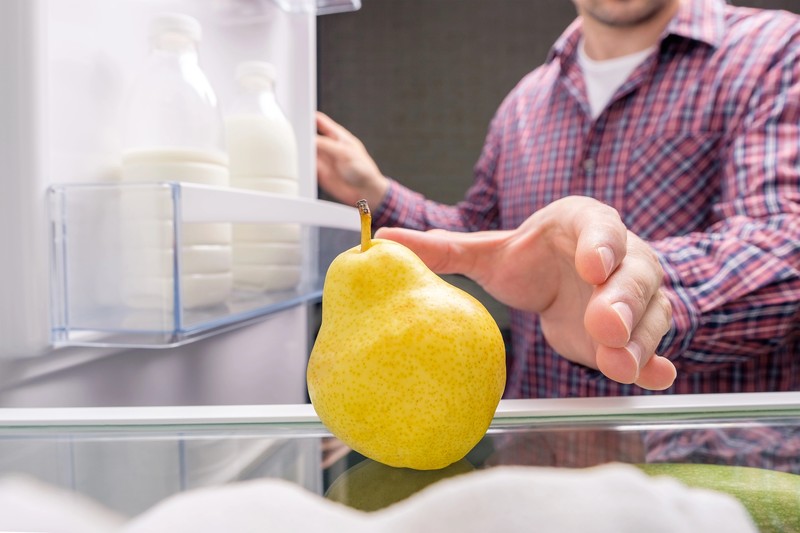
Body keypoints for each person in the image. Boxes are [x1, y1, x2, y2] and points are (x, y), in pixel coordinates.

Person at [316, 0, 800, 399]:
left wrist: (628, 294)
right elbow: (480, 232)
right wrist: (375, 192)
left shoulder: (774, 51)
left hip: (703, 466)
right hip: (542, 457)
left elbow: (783, 243)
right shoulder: (524, 103)